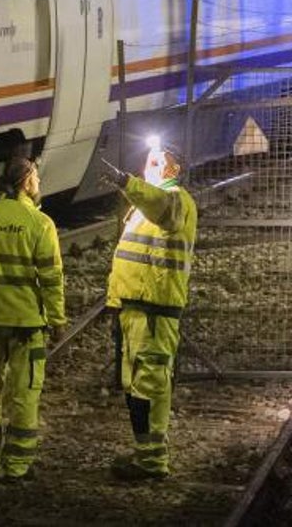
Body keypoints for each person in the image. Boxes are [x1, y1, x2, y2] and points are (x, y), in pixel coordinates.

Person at [0, 156, 67, 480]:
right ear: (26, 181)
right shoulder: (40, 224)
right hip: (26, 324)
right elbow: (51, 279)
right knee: (24, 393)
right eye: (36, 177)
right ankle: (17, 465)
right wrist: (57, 320)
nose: (39, 184)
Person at [102, 143, 197, 481]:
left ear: (175, 169)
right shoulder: (146, 205)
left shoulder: (176, 201)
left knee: (151, 387)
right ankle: (146, 454)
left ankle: (153, 461)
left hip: (155, 311)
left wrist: (127, 183)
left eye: (159, 160)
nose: (150, 164)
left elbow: (163, 208)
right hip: (136, 308)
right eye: (148, 159)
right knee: (136, 387)